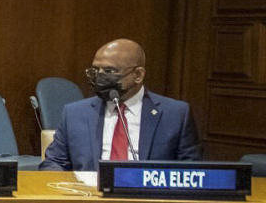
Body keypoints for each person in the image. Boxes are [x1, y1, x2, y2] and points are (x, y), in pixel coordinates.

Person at [40, 38, 200, 171]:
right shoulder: (74, 113)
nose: (99, 78)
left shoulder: (176, 114)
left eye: (109, 71)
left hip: (149, 202)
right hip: (89, 200)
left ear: (138, 75)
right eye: (96, 71)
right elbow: (53, 163)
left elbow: (191, 171)